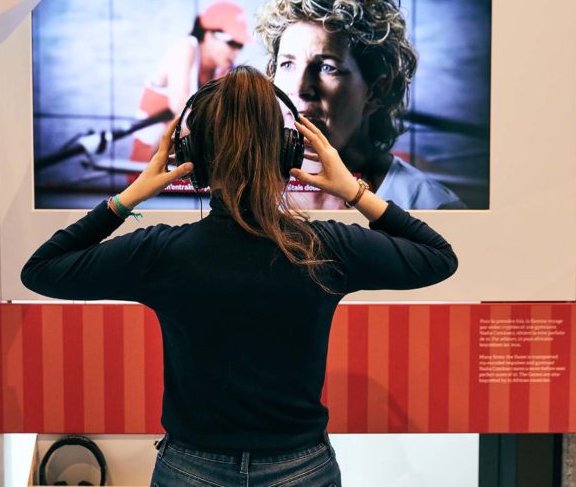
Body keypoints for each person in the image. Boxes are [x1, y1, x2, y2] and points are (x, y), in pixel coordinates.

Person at [22, 66, 458, 486]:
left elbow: (42, 270)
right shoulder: (325, 249)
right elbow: (438, 257)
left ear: (193, 162)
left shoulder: (159, 252)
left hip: (191, 469)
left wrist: (132, 194)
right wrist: (352, 191)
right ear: (288, 153)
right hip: (301, 468)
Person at [255, 0, 466, 210]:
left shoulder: (428, 206)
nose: (301, 88)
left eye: (327, 67)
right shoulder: (244, 198)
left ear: (376, 90)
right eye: (287, 64)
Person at [129, 0, 251, 163]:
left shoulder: (222, 71)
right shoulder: (184, 49)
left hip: (179, 157)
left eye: (240, 45)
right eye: (231, 43)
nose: (235, 53)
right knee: (189, 119)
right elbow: (181, 109)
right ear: (208, 34)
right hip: (146, 162)